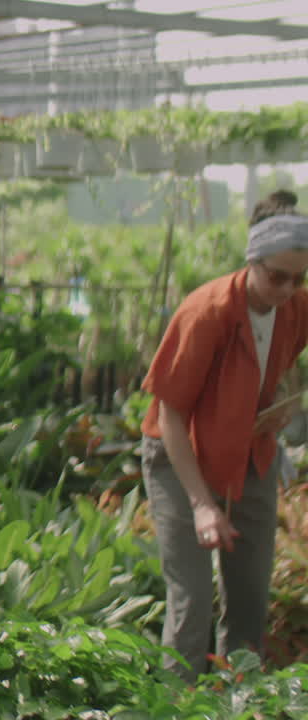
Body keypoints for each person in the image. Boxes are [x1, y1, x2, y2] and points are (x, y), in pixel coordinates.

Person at [139, 190, 308, 683]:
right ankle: (177, 708)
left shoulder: (295, 307)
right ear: (252, 260)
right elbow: (171, 418)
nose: (284, 288)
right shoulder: (206, 312)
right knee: (191, 600)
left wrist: (283, 402)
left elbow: (280, 363)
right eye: (275, 276)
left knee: (250, 597)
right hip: (181, 458)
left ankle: (241, 703)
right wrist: (201, 505)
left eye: (297, 278)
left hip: (250, 452)